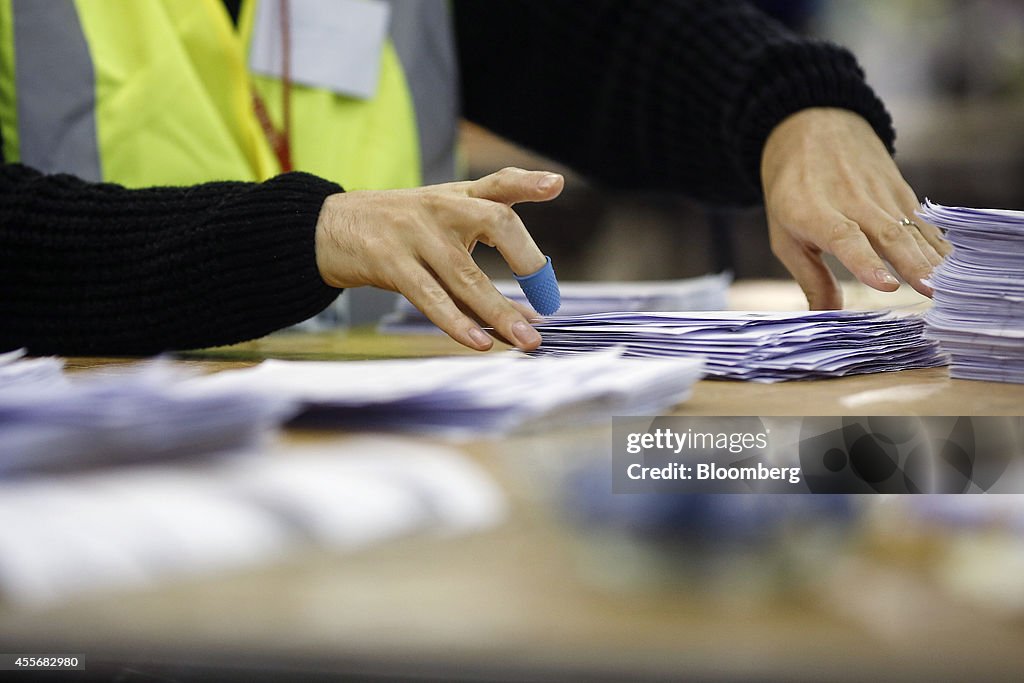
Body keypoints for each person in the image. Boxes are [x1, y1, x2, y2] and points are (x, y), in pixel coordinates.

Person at [0, 0, 950, 356]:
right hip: (93, 500)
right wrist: (306, 235)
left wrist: (796, 110)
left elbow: (612, 45)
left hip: (398, 459)